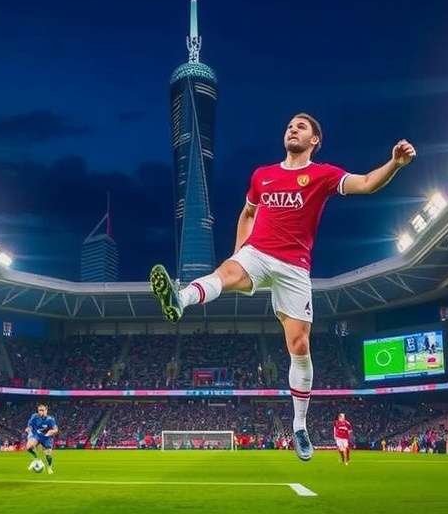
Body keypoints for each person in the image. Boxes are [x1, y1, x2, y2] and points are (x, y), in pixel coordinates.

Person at [149, 113, 416, 461]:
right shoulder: (263, 175)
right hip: (258, 253)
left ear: (315, 140)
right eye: (290, 125)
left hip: (294, 267)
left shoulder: (323, 175)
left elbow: (365, 183)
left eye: (301, 126)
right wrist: (239, 252)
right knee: (226, 272)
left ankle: (299, 426)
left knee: (299, 343)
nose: (293, 129)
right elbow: (247, 214)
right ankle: (179, 298)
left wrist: (394, 163)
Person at [25, 403, 58, 474]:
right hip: (36, 435)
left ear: (46, 410)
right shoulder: (34, 416)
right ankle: (36, 459)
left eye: (42, 410)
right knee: (29, 447)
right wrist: (28, 429)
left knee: (48, 455)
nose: (40, 412)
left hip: (46, 437)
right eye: (39, 410)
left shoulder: (50, 419)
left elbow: (56, 430)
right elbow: (30, 425)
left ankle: (49, 466)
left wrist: (51, 432)